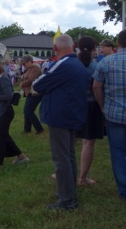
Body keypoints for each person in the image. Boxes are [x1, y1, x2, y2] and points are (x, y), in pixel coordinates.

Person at [32, 34, 88, 210]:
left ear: (55, 49)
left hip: (60, 116)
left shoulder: (63, 64)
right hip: (72, 115)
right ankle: (68, 191)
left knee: (61, 158)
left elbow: (38, 84)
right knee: (69, 156)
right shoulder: (77, 64)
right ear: (73, 46)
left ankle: (67, 200)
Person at [93, 29, 126, 201]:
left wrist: (103, 106)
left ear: (118, 43)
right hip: (115, 114)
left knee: (118, 152)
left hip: (115, 114)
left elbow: (96, 87)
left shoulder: (106, 62)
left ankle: (125, 191)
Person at [0, 59, 29, 175]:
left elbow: (8, 95)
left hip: (5, 112)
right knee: (4, 135)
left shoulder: (3, 78)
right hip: (1, 111)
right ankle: (22, 157)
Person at [75, 36, 104, 186]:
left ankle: (61, 171)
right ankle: (82, 179)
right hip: (91, 106)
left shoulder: (73, 65)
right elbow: (97, 88)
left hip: (73, 106)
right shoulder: (96, 67)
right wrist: (102, 106)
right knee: (87, 143)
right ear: (94, 49)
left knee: (69, 142)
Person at [19, 55, 44, 135]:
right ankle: (27, 129)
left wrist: (23, 84)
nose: (23, 65)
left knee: (29, 111)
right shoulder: (29, 69)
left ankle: (39, 129)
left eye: (24, 63)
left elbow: (31, 79)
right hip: (29, 92)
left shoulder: (36, 68)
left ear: (30, 61)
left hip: (35, 93)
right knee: (26, 111)